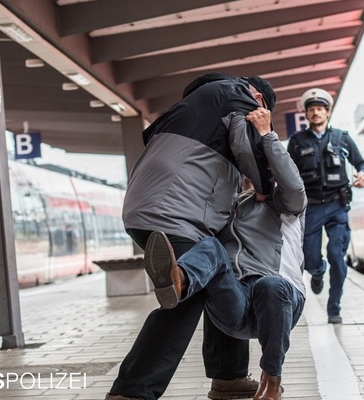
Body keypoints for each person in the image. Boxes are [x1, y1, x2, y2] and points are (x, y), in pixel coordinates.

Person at [105, 73, 277, 400]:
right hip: (175, 212)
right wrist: (266, 186)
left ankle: (229, 376)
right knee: (187, 292)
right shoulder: (237, 94)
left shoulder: (193, 108)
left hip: (149, 207)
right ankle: (132, 390)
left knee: (222, 278)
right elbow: (249, 149)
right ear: (260, 99)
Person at [143, 104, 305, 400]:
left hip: (279, 299)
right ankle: (179, 280)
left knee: (270, 285)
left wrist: (267, 135)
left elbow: (294, 184)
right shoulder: (224, 211)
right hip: (235, 304)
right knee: (210, 246)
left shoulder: (285, 204)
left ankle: (271, 379)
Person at [286, 88, 364, 325]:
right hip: (311, 208)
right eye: (311, 109)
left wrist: (363, 174)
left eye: (320, 109)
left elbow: (362, 163)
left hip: (337, 206)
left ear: (327, 112)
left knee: (336, 254)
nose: (316, 113)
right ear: (306, 114)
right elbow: (286, 170)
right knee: (310, 259)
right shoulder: (297, 142)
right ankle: (318, 272)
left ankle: (334, 308)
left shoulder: (342, 138)